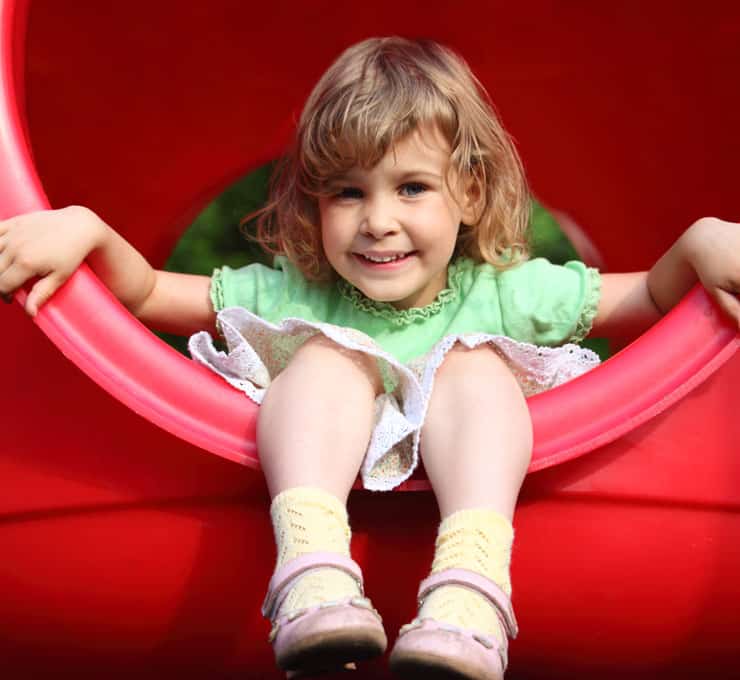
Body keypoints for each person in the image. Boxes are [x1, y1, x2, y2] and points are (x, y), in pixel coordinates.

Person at [0, 37, 738, 680]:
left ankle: (470, 588)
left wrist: (702, 241)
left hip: (480, 511)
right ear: (315, 204)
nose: (378, 222)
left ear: (470, 193)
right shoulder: (297, 292)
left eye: (411, 188)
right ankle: (312, 575)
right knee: (323, 360)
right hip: (318, 525)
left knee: (475, 368)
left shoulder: (503, 292)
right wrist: (86, 231)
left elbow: (646, 294)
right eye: (347, 193)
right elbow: (152, 290)